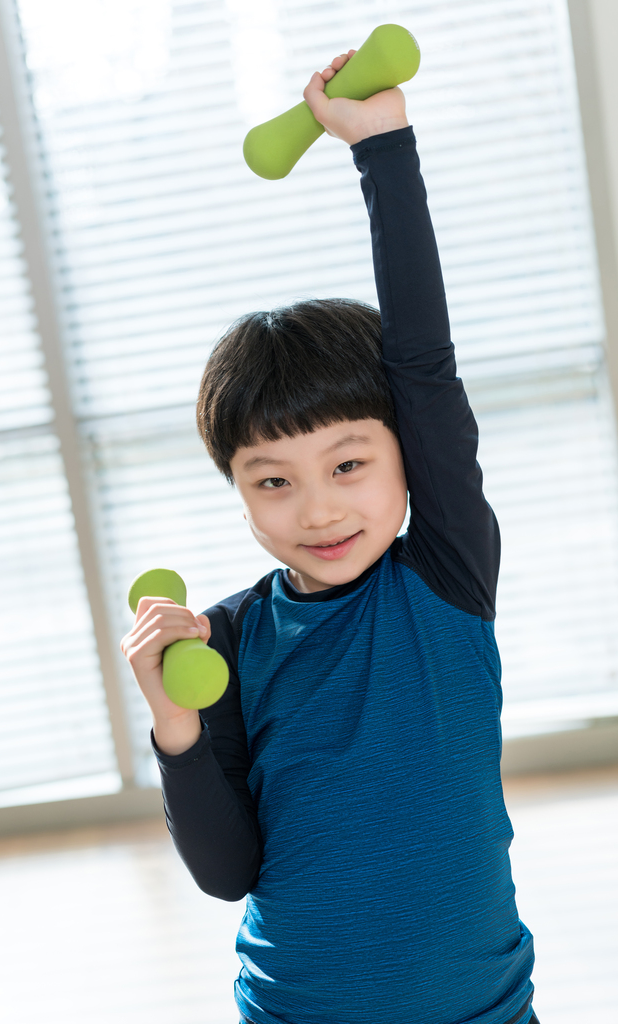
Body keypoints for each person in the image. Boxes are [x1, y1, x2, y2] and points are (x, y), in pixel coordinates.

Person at [120, 50, 538, 1024]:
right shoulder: (222, 641)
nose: (315, 510)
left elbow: (423, 363)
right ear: (237, 492)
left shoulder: (443, 572)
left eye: (347, 465)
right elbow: (228, 874)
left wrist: (381, 146)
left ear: (405, 460)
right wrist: (173, 722)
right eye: (272, 480)